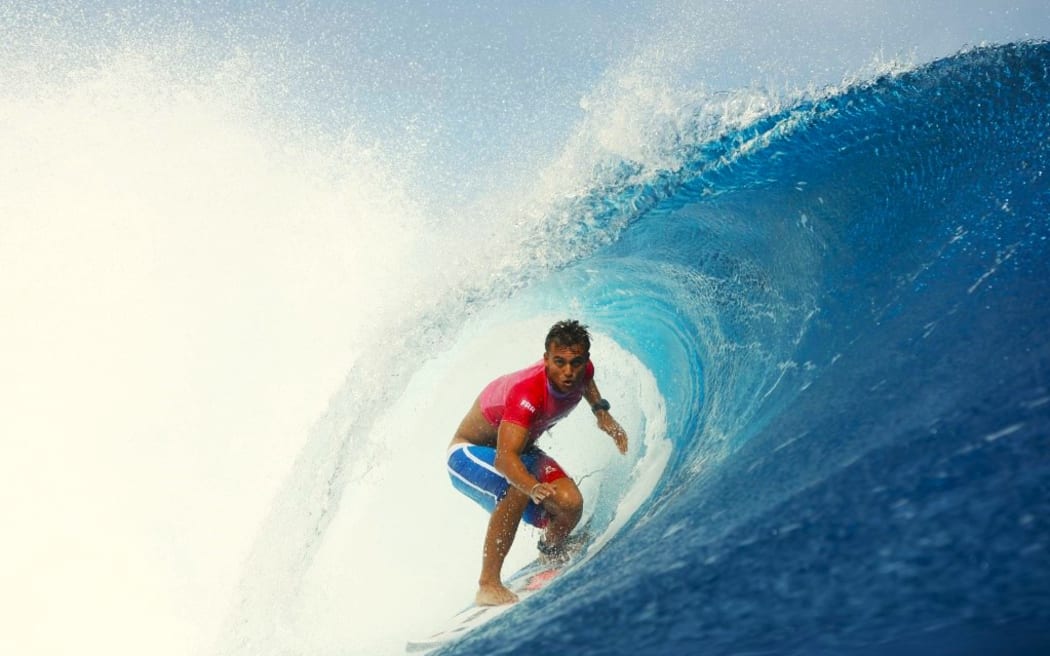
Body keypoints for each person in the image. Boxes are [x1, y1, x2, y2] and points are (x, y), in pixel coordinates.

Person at [446, 319, 629, 606]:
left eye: (576, 362)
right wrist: (532, 487)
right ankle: (488, 584)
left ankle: (550, 548)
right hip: (469, 454)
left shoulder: (582, 370)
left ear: (585, 360)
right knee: (517, 488)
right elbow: (505, 459)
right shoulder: (527, 393)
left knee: (570, 504)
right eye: (559, 362)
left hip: (522, 451)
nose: (568, 372)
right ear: (546, 360)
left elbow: (587, 381)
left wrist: (601, 413)